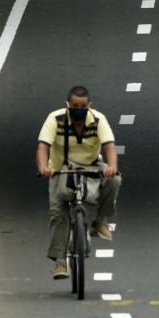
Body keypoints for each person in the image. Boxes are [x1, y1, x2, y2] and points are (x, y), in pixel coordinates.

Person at [36, 85, 121, 279]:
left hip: (91, 165)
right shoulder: (55, 119)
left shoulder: (98, 119)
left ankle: (100, 220)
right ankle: (60, 262)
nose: (79, 109)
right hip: (60, 169)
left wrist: (111, 166)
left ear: (89, 106)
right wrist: (44, 168)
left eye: (83, 106)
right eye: (75, 105)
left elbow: (109, 146)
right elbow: (43, 147)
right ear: (67, 105)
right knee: (58, 214)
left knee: (115, 180)